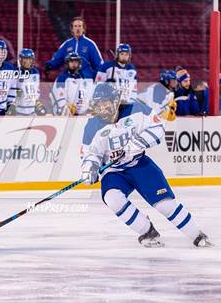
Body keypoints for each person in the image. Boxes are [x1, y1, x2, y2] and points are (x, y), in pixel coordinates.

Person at [81, 83, 212, 247]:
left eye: (105, 101)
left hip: (139, 164)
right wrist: (89, 169)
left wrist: (134, 145)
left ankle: (196, 234)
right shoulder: (91, 126)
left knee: (164, 204)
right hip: (114, 172)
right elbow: (90, 153)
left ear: (115, 100)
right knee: (112, 198)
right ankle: (147, 231)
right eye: (98, 104)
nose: (102, 107)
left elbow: (158, 127)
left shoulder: (136, 109)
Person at [7, 48, 45, 116]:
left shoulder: (35, 72)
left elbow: (37, 90)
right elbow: (12, 92)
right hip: (19, 111)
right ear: (21, 60)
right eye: (25, 59)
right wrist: (12, 105)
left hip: (32, 111)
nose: (28, 61)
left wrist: (37, 103)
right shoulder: (16, 72)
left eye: (30, 59)